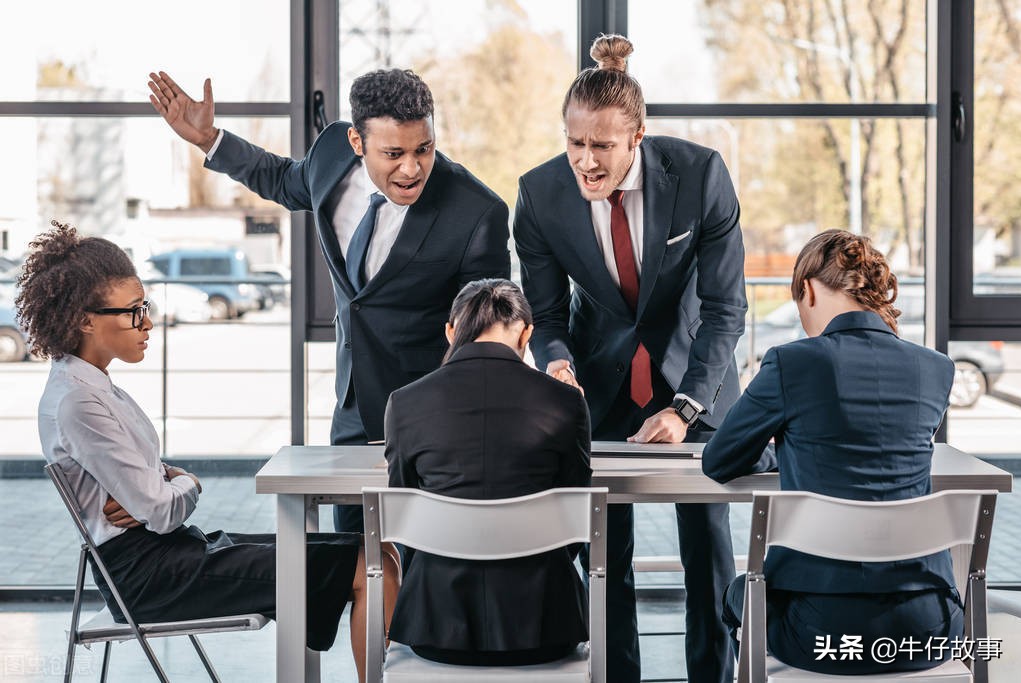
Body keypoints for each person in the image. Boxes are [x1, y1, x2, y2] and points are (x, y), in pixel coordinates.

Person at [18, 222, 401, 683]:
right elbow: (161, 511)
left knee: (379, 551)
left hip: (173, 553)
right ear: (84, 320)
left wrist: (158, 486)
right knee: (368, 565)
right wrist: (186, 481)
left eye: (147, 308)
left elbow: (151, 499)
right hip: (153, 575)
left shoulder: (89, 386)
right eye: (135, 312)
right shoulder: (78, 400)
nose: (148, 323)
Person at [148, 67, 510, 532]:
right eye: (393, 153)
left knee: (425, 570)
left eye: (424, 149)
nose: (412, 167)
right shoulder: (332, 153)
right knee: (356, 563)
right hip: (353, 412)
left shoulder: (476, 212)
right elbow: (282, 179)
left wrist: (445, 428)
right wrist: (210, 139)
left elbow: (486, 338)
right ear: (358, 144)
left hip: (435, 421)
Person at [513, 35, 746, 683]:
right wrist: (555, 364)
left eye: (601, 146)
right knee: (602, 554)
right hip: (599, 386)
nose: (584, 161)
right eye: (572, 142)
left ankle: (712, 676)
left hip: (694, 380)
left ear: (637, 136)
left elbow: (726, 308)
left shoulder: (699, 176)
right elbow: (547, 316)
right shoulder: (538, 196)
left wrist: (685, 406)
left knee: (707, 550)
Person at [702, 229, 963, 675]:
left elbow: (719, 460)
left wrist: (780, 453)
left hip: (822, 632)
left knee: (738, 592)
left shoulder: (792, 361)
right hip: (933, 628)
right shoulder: (936, 368)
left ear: (806, 290)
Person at [384, 279, 592, 666]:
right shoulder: (567, 403)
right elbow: (575, 515)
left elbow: (405, 510)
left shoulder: (404, 403)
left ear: (450, 331)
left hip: (435, 626)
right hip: (546, 625)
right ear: (527, 334)